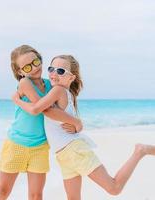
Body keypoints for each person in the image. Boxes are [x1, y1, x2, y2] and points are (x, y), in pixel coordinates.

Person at [12, 54, 155, 200]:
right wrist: (77, 125)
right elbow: (61, 116)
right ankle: (140, 151)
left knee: (114, 188)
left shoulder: (58, 90)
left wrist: (17, 100)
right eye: (51, 69)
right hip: (64, 154)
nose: (54, 74)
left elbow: (38, 109)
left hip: (74, 151)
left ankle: (140, 151)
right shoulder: (64, 93)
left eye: (60, 71)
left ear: (71, 78)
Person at [0, 46, 82, 200]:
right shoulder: (25, 83)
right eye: (27, 67)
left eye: (36, 62)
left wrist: (76, 124)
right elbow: (42, 109)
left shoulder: (51, 84)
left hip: (40, 147)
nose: (34, 68)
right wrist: (76, 122)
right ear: (20, 72)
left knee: (36, 195)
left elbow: (64, 108)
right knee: (3, 190)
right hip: (17, 144)